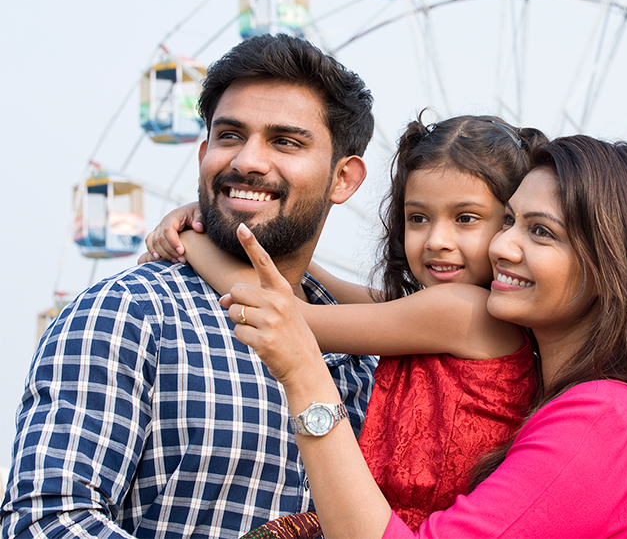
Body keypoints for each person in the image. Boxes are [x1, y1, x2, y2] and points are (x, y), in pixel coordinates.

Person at [220, 134, 627, 538]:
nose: (502, 245)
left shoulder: (608, 420)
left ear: (612, 265)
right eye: (511, 221)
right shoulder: (585, 410)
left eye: (541, 232)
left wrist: (306, 377)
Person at [0, 34, 379, 538]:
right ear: (203, 152)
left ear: (344, 179)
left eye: (285, 141)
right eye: (229, 136)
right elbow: (48, 522)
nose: (247, 161)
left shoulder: (369, 357)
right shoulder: (126, 313)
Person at [141, 114, 548, 530]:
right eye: (418, 218)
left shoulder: (463, 311)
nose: (436, 240)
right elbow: (319, 280)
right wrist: (225, 220)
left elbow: (294, 317)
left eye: (466, 219)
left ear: (509, 226)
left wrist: (190, 240)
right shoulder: (437, 310)